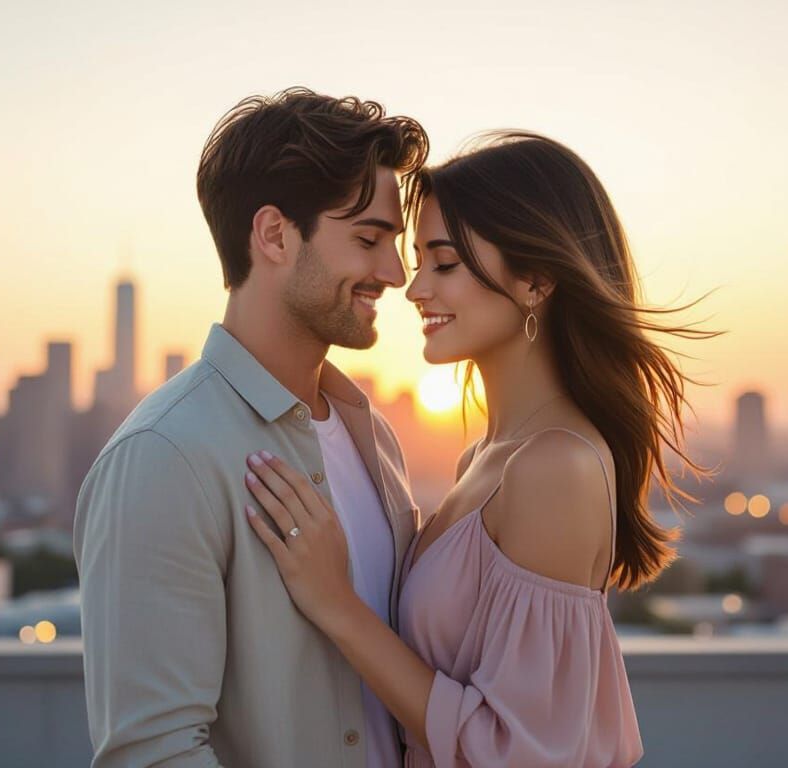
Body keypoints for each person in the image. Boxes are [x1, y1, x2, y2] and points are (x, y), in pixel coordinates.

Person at [242, 132, 718, 767]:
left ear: (536, 280)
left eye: (444, 263)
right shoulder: (486, 459)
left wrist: (337, 606)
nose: (413, 290)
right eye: (418, 263)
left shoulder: (556, 467)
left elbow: (518, 753)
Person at [73, 87, 428, 767]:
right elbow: (154, 754)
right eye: (369, 239)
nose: (395, 272)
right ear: (274, 235)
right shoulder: (163, 457)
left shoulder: (370, 437)